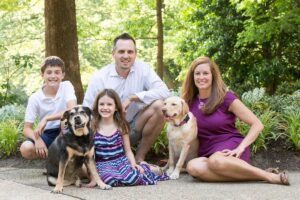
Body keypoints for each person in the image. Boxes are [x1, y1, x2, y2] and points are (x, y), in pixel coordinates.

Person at [181, 56, 289, 185]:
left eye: (205, 73)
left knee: (217, 161)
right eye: (197, 73)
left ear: (213, 76)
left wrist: (240, 147)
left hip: (230, 147)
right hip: (207, 152)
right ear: (192, 77)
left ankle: (268, 176)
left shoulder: (226, 98)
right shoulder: (188, 102)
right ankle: (254, 175)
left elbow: (257, 124)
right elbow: (182, 128)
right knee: (193, 167)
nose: (201, 77)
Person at [83, 33, 170, 162]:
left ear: (135, 54)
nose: (126, 56)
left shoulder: (143, 69)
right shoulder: (100, 77)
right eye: (121, 51)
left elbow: (164, 92)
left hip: (133, 128)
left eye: (130, 52)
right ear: (113, 54)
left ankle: (139, 158)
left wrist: (133, 98)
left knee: (159, 106)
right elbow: (87, 111)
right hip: (106, 134)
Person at [86, 89, 169, 187]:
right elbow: (89, 154)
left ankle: (147, 169)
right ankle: (145, 169)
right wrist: (92, 176)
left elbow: (128, 150)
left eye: (109, 104)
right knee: (109, 180)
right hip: (102, 164)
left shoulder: (121, 125)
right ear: (97, 106)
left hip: (120, 161)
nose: (105, 107)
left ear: (116, 107)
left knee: (133, 178)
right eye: (102, 104)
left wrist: (133, 163)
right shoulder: (93, 126)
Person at [20, 56, 77, 160]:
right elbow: (26, 128)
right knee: (26, 148)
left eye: (57, 72)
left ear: (63, 75)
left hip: (66, 129)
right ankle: (53, 159)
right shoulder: (35, 98)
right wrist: (37, 139)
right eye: (49, 72)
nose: (53, 76)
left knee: (66, 122)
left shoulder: (67, 86)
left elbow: (72, 110)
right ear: (42, 75)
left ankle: (64, 157)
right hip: (48, 133)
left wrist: (47, 118)